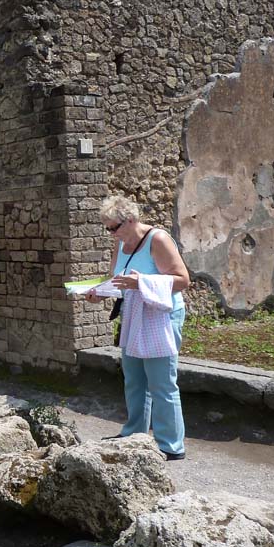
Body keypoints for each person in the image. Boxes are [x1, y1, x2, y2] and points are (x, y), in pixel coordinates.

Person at [87, 195, 190, 460]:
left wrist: (141, 282)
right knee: (134, 378)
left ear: (131, 220)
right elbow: (116, 280)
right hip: (134, 315)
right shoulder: (121, 244)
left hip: (160, 317)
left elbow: (182, 280)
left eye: (114, 227)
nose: (111, 233)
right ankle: (134, 433)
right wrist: (99, 292)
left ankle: (170, 445)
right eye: (107, 228)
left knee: (161, 382)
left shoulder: (158, 240)